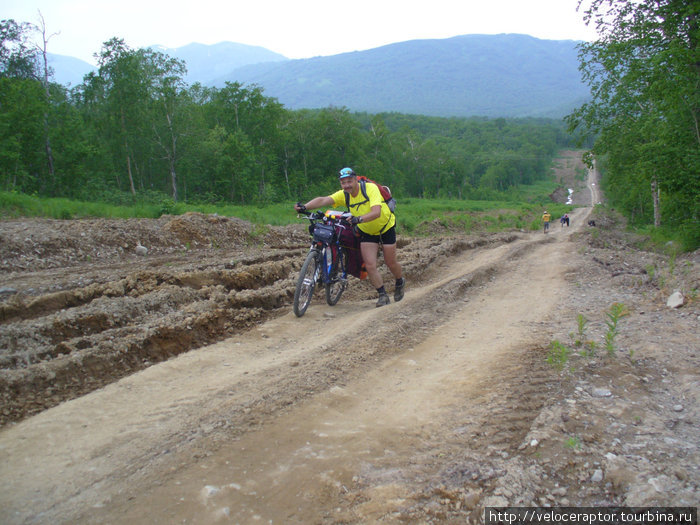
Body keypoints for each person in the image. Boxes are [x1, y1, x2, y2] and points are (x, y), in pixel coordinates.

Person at [294, 167, 404, 307]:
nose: (346, 185)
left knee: (391, 263)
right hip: (367, 232)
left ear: (356, 179)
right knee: (370, 265)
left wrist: (359, 219)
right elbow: (323, 200)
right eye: (343, 182)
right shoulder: (344, 194)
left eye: (349, 181)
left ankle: (399, 281)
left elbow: (376, 212)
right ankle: (382, 294)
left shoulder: (370, 189)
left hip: (385, 228)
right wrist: (305, 207)